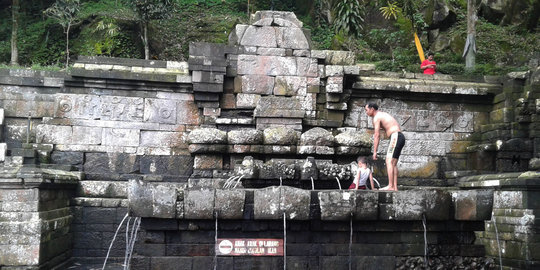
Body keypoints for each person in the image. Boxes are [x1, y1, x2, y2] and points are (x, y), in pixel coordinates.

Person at [364, 102, 405, 191]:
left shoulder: (377, 117)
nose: (366, 112)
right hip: (399, 136)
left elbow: (377, 135)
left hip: (396, 136)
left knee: (389, 161)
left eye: (366, 110)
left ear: (372, 109)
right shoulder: (382, 115)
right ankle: (394, 187)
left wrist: (375, 151)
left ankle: (390, 186)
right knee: (393, 163)